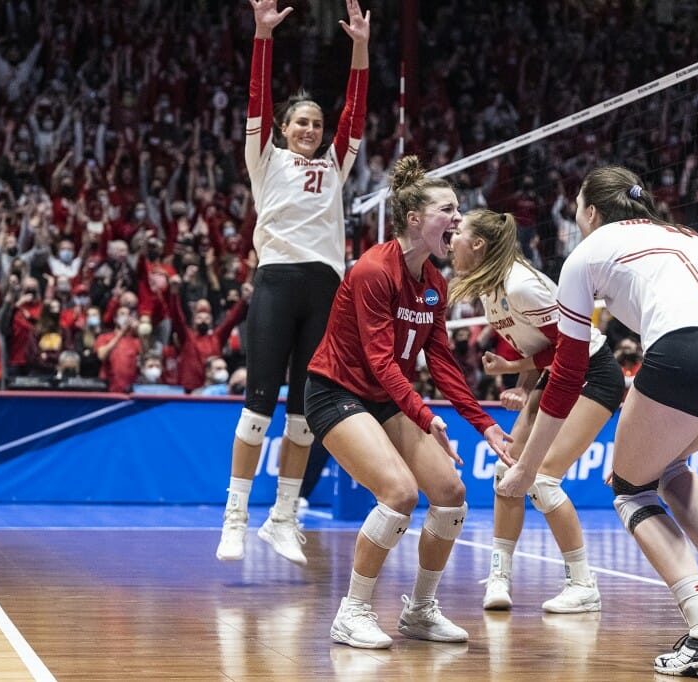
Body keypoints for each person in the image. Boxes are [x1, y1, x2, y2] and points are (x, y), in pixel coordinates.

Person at [497, 166, 698, 678]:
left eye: (578, 210)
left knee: (631, 489)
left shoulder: (584, 254)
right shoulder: (685, 232)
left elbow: (566, 374)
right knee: (669, 464)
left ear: (589, 212)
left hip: (692, 348)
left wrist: (528, 465)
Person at [303, 156, 511, 649]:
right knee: (399, 493)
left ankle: (419, 611)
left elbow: (441, 364)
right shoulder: (374, 270)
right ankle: (351, 612)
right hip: (335, 392)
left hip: (383, 398)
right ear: (414, 219)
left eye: (458, 210)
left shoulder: (435, 285)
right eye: (448, 209)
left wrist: (484, 425)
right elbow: (381, 361)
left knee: (451, 494)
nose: (458, 219)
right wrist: (424, 414)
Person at [216, 0, 370, 565]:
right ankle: (235, 516)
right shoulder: (266, 159)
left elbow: (356, 111)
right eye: (300, 122)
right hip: (278, 284)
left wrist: (361, 46)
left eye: (316, 123)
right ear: (282, 129)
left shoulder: (335, 163)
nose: (310, 129)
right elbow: (256, 97)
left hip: (325, 289)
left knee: (306, 416)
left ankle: (283, 517)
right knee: (258, 408)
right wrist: (261, 35)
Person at [448, 208, 624, 613]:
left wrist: (512, 369)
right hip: (558, 373)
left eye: (458, 232)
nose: (451, 239)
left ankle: (583, 585)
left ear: (478, 245)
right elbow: (537, 346)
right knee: (506, 470)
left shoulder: (521, 284)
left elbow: (568, 347)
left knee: (542, 480)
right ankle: (499, 577)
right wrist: (524, 386)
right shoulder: (492, 287)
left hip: (592, 374)